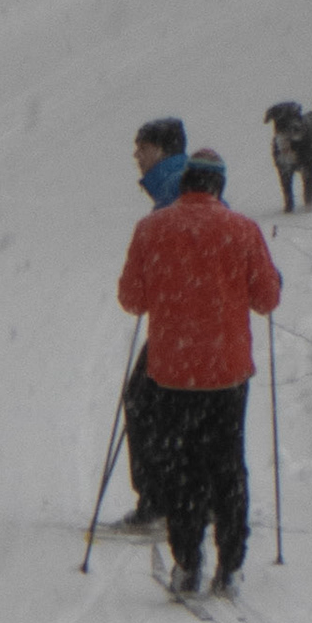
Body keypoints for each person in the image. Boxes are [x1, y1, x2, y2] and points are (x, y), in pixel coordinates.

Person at [116, 147, 281, 597]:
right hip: (226, 373)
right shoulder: (242, 230)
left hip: (171, 372)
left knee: (181, 466)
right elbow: (266, 300)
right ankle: (230, 564)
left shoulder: (151, 230)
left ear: (185, 182)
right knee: (228, 466)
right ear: (219, 186)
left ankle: (186, 562)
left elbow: (132, 299)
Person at [110, 116, 187, 535]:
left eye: (142, 147)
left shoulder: (172, 190)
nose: (136, 156)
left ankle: (158, 499)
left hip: (175, 327)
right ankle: (194, 497)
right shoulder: (183, 185)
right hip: (194, 323)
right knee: (185, 410)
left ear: (161, 150)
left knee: (144, 403)